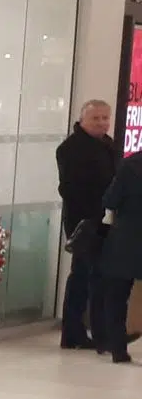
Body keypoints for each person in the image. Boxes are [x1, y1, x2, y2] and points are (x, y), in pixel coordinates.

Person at [57, 99, 117, 350]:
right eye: (96, 118)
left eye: (105, 118)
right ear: (83, 120)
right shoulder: (71, 149)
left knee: (98, 276)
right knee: (82, 275)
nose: (102, 123)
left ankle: (98, 332)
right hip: (83, 221)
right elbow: (70, 189)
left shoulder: (107, 145)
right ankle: (72, 332)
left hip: (102, 219)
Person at [96, 148, 142, 364]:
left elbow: (110, 200)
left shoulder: (130, 166)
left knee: (116, 297)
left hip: (127, 240)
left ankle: (118, 349)